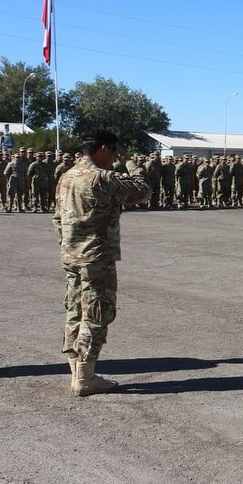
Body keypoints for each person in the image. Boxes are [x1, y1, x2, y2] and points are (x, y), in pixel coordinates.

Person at [53, 130, 150, 396]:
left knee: (75, 310)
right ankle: (85, 377)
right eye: (116, 151)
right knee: (97, 312)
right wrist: (129, 162)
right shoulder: (102, 177)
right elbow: (143, 191)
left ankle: (76, 371)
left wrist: (68, 246)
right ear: (106, 149)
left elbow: (57, 218)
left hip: (72, 256)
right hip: (96, 258)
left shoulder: (67, 176)